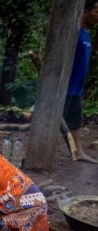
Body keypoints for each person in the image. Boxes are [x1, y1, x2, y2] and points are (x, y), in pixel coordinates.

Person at [64, 0, 98, 164]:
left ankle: (77, 152)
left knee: (75, 122)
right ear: (85, 12)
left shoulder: (85, 34)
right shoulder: (73, 33)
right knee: (54, 123)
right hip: (65, 88)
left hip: (76, 88)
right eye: (97, 12)